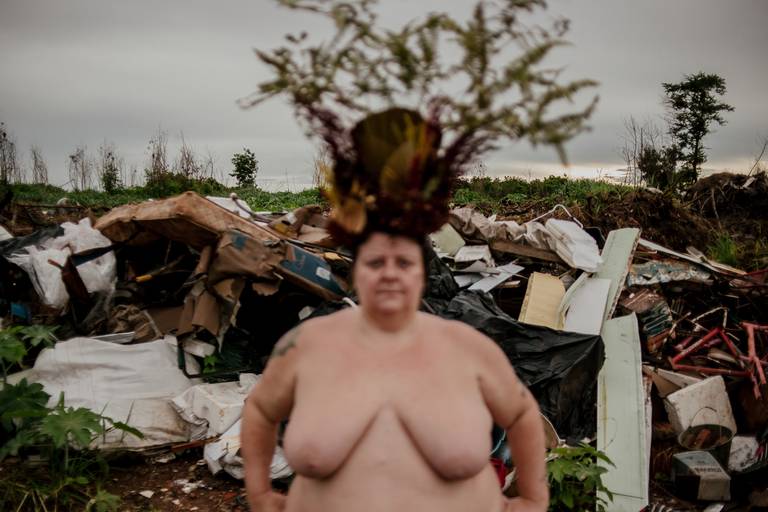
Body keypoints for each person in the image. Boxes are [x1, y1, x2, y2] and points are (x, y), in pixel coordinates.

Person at [241, 108, 549, 511]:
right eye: (374, 263)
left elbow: (524, 414)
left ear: (422, 274)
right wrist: (260, 493)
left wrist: (532, 499)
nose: (389, 274)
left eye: (403, 263)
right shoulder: (306, 345)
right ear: (355, 273)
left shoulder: (467, 349)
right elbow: (261, 410)